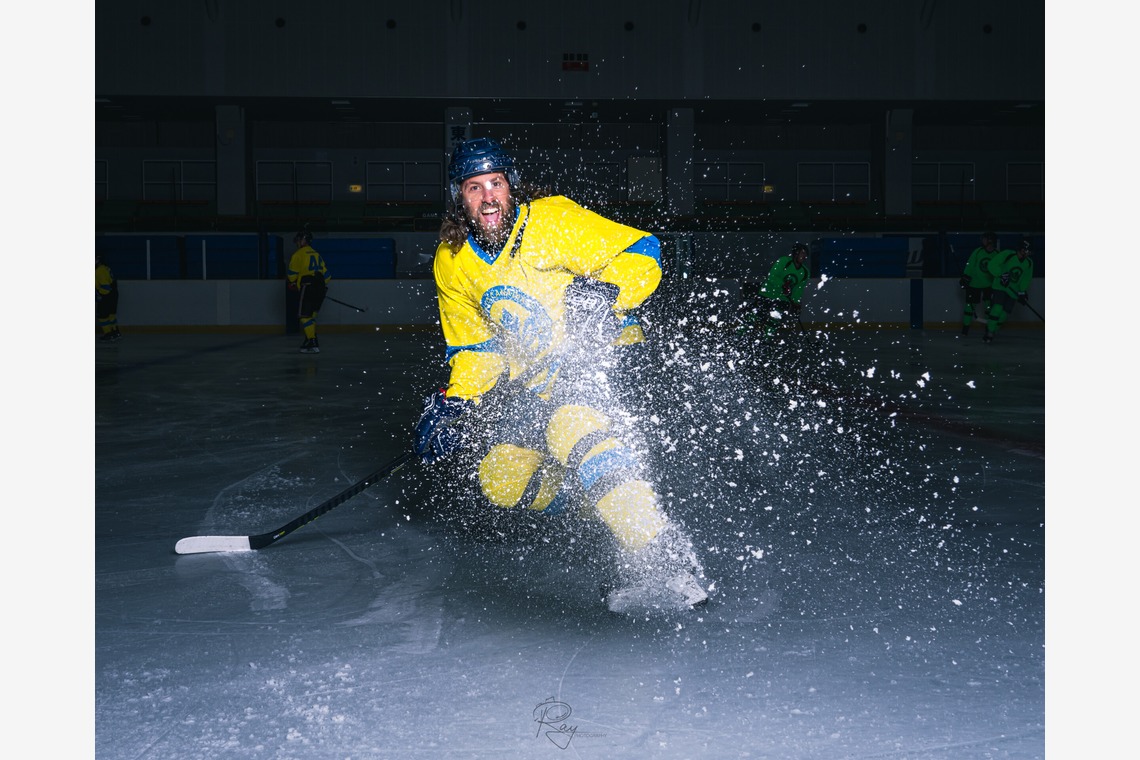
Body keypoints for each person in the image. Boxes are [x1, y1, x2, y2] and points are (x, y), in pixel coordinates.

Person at [412, 137, 708, 612]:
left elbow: (642, 251)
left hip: (604, 363)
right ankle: (608, 506)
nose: (488, 196)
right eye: (474, 187)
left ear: (511, 187)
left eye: (496, 183)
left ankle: (664, 555)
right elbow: (477, 350)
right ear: (457, 197)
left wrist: (608, 296)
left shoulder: (550, 220)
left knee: (572, 427)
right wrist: (456, 403)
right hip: (537, 385)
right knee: (500, 476)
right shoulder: (453, 263)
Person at [752, 242, 811, 339]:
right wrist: (783, 285)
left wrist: (795, 302)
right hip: (767, 293)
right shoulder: (784, 261)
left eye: (805, 254)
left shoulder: (805, 272)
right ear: (796, 253)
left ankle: (767, 339)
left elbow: (798, 289)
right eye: (802, 253)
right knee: (755, 316)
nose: (804, 256)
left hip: (783, 298)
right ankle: (739, 335)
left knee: (774, 319)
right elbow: (772, 276)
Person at [286, 229, 330, 353]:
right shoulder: (317, 254)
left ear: (304, 240)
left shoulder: (298, 254)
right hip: (319, 287)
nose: (297, 243)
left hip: (307, 286)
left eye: (299, 240)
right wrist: (318, 287)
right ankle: (309, 339)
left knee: (304, 316)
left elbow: (292, 275)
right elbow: (327, 276)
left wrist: (294, 282)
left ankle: (312, 341)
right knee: (312, 316)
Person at [983, 237, 1034, 344]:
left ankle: (993, 330)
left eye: (1029, 251)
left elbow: (1026, 279)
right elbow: (992, 264)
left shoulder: (1029, 263)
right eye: (1026, 250)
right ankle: (989, 332)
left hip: (1013, 291)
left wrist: (1022, 292)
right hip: (1000, 287)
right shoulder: (1008, 254)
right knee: (997, 308)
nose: (1028, 253)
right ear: (1020, 249)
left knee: (1004, 315)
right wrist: (1001, 275)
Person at [958, 231, 998, 336]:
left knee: (989, 306)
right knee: (969, 306)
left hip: (989, 285)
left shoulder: (997, 254)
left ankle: (989, 327)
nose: (983, 240)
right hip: (974, 284)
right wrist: (965, 277)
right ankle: (965, 329)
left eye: (985, 239)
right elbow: (970, 265)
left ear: (990, 240)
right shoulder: (978, 251)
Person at [96, 251, 122, 341]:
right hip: (113, 293)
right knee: (111, 315)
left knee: (102, 316)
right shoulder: (105, 268)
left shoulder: (100, 271)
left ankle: (109, 334)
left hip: (106, 295)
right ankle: (115, 333)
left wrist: (99, 295)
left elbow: (106, 287)